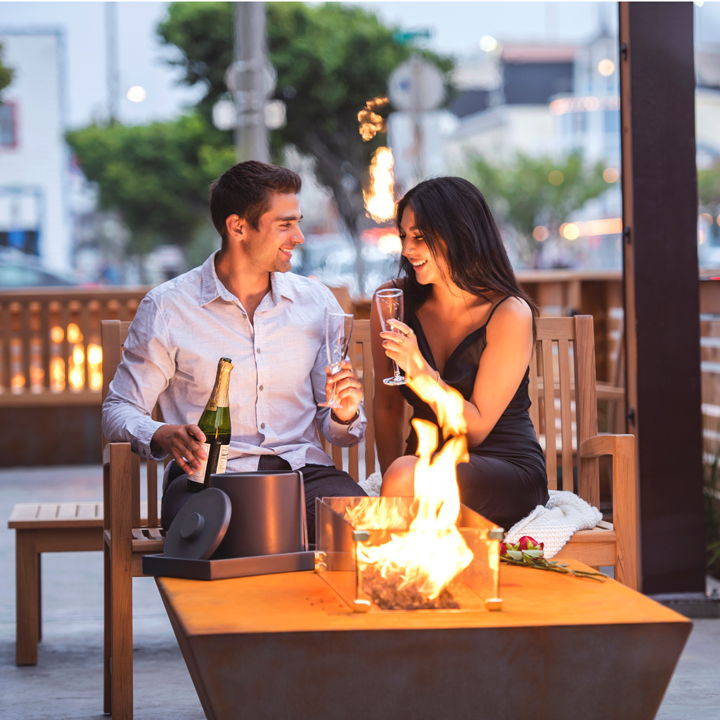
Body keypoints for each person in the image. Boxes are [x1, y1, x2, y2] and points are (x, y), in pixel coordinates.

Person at [102, 160, 367, 540]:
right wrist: (162, 433)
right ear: (238, 226)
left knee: (363, 532)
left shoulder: (316, 303)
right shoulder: (169, 307)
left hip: (301, 475)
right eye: (285, 224)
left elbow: (340, 432)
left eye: (298, 222)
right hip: (207, 479)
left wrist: (343, 413)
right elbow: (118, 409)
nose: (299, 237)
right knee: (243, 536)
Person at [371, 176, 548, 531]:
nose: (407, 249)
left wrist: (421, 372)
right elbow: (387, 406)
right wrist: (393, 485)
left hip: (504, 468)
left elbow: (477, 428)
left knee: (407, 476)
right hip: (421, 463)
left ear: (460, 234)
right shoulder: (394, 302)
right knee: (405, 477)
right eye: (404, 237)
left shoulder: (509, 313)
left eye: (419, 237)